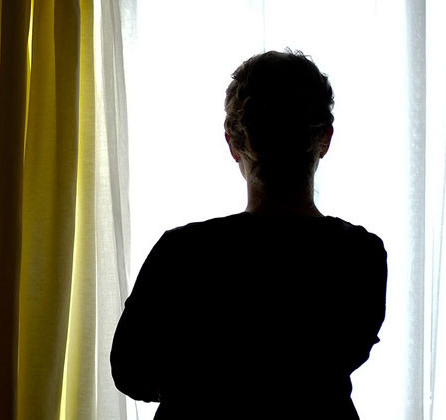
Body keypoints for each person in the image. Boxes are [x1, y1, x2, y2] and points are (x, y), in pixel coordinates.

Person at [111, 50, 388, 419]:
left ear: (233, 143)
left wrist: (195, 384)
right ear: (325, 138)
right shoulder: (360, 254)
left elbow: (130, 370)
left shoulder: (181, 251)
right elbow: (335, 358)